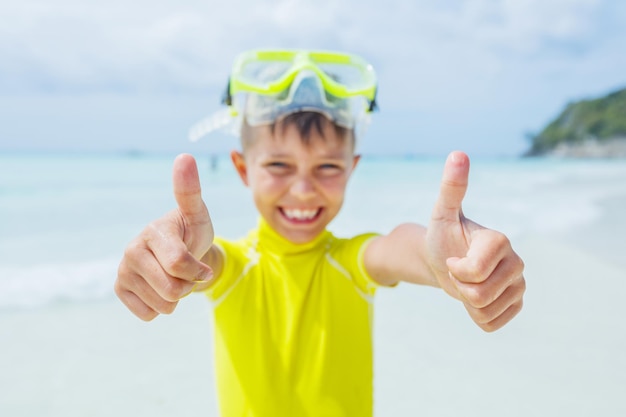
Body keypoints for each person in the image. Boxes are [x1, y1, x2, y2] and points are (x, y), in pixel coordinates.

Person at [115, 49, 526, 416]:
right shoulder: (233, 267)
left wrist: (442, 263)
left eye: (327, 167)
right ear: (243, 169)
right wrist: (169, 257)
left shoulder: (352, 260)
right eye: (278, 166)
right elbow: (203, 262)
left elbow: (398, 248)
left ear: (352, 167)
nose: (303, 189)